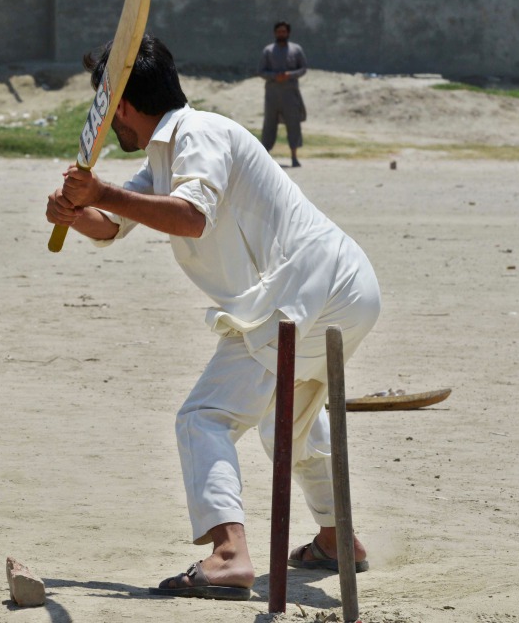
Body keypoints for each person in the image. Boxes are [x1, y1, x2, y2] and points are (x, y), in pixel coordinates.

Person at [46, 35, 380, 601]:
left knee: (204, 417)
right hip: (345, 289)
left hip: (302, 292)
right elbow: (114, 223)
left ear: (121, 104)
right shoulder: (164, 153)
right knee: (286, 426)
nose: (106, 125)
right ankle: (336, 538)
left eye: (105, 109)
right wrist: (78, 213)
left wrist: (100, 188)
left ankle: (229, 556)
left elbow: (190, 217)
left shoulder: (198, 134)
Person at [258, 21, 308, 167]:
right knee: (269, 124)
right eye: (279, 32)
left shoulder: (296, 50)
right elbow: (261, 71)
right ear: (275, 33)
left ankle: (294, 157)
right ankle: (264, 158)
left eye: (284, 32)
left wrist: (289, 75)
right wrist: (274, 76)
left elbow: (303, 68)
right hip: (272, 94)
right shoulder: (268, 50)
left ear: (288, 33)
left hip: (290, 94)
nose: (281, 34)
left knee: (293, 125)